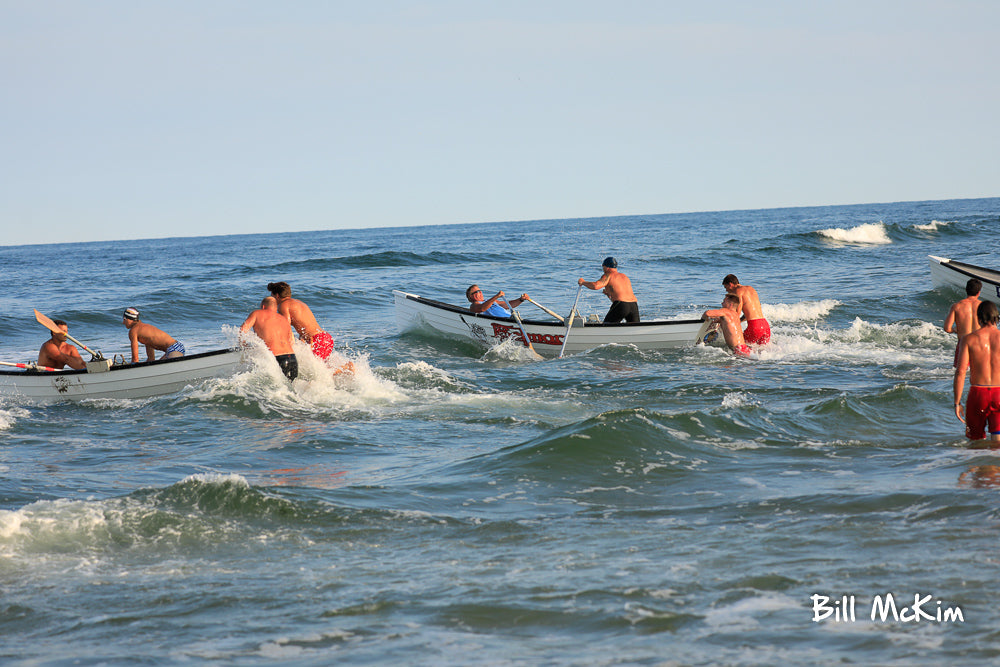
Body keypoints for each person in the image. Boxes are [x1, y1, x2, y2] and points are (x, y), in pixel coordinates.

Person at [954, 300, 1000, 443]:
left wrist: (957, 402)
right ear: (996, 318)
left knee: (974, 442)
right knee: (998, 442)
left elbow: (961, 372)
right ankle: (993, 465)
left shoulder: (968, 339)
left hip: (978, 394)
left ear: (978, 318)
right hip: (999, 393)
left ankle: (976, 465)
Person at [268, 281, 335, 360]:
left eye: (272, 296)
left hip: (316, 340)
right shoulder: (298, 302)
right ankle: (346, 367)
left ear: (277, 295)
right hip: (324, 338)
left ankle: (346, 367)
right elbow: (303, 324)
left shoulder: (283, 305)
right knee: (324, 369)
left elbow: (285, 327)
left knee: (313, 370)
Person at [240, 296, 298, 380]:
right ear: (275, 308)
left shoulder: (257, 313)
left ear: (263, 306)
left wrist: (244, 346)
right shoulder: (283, 319)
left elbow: (242, 331)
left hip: (276, 358)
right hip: (291, 358)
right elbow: (292, 341)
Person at [578, 257, 639, 323]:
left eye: (603, 267)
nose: (603, 269)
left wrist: (583, 282)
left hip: (621, 305)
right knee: (635, 327)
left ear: (607, 267)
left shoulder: (608, 275)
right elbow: (622, 296)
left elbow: (596, 286)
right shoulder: (624, 276)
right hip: (633, 305)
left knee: (607, 325)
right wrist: (608, 295)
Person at [722, 274, 770, 345]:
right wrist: (741, 320)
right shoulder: (751, 289)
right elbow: (750, 312)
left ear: (730, 284)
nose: (726, 290)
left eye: (726, 287)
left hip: (754, 327)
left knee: (738, 348)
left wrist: (724, 323)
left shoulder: (738, 291)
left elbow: (736, 314)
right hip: (765, 326)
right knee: (761, 353)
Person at [944, 278, 982, 367]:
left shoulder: (957, 306)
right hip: (980, 343)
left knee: (960, 372)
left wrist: (954, 329)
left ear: (966, 290)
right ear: (979, 292)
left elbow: (947, 328)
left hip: (964, 343)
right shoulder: (983, 306)